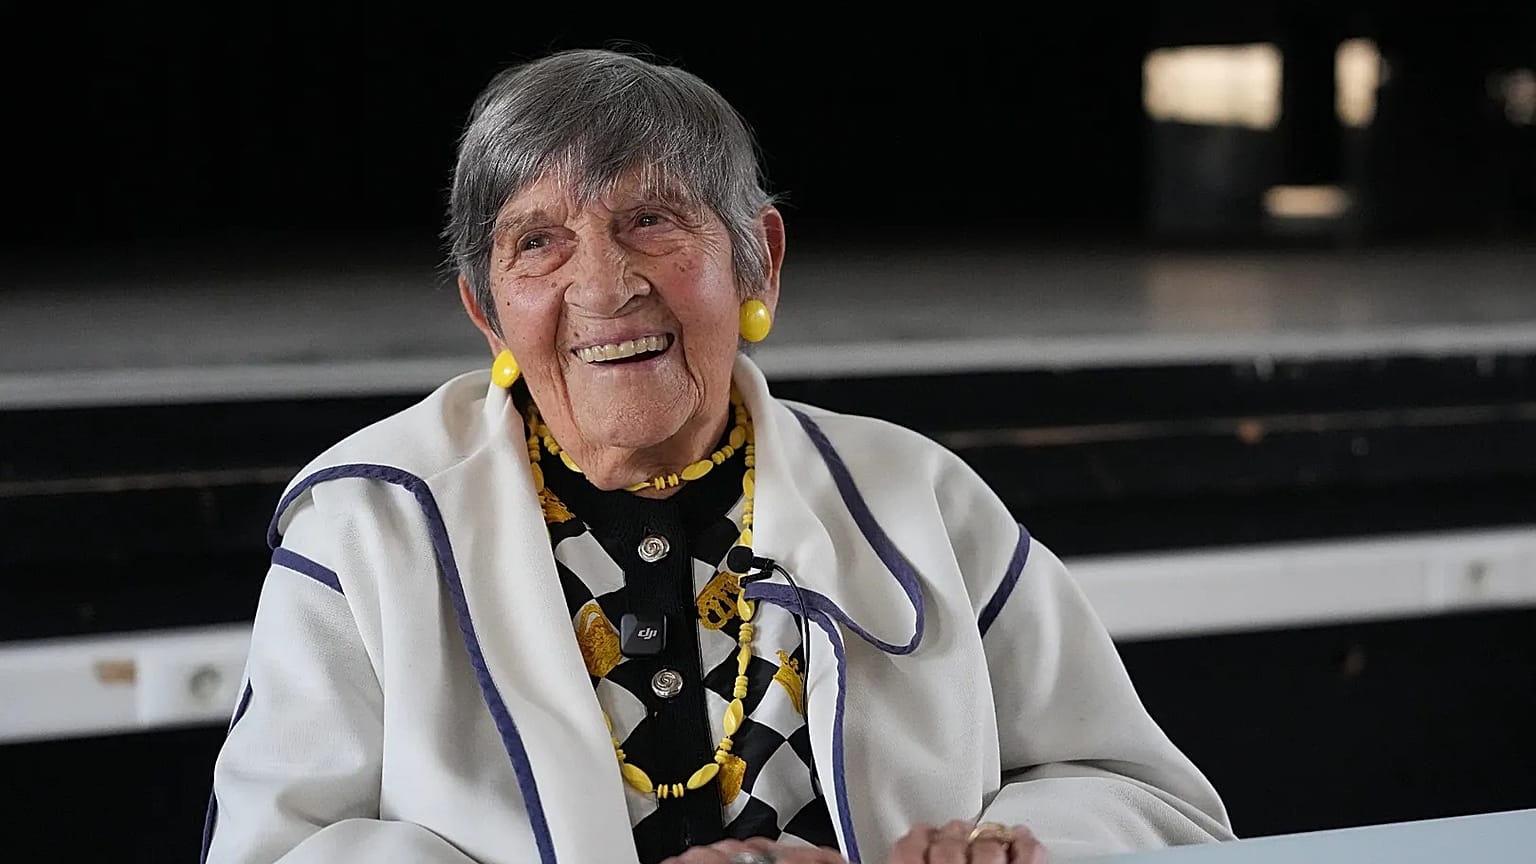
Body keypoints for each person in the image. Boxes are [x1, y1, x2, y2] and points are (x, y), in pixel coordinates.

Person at [201, 48, 1232, 864]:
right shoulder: (368, 526)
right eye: (538, 242)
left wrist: (1016, 847)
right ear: (487, 311)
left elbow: (1149, 797)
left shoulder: (915, 496)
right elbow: (278, 849)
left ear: (760, 264)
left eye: (652, 221)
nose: (604, 287)